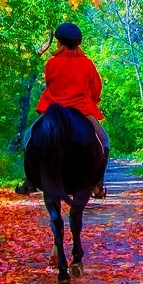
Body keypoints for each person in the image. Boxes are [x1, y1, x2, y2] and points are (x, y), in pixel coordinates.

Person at [37, 22, 108, 199]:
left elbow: (49, 86)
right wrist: (92, 101)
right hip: (82, 110)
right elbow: (96, 88)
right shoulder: (87, 64)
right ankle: (97, 184)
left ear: (60, 43)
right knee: (105, 142)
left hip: (55, 111)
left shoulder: (51, 63)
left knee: (29, 138)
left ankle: (31, 179)